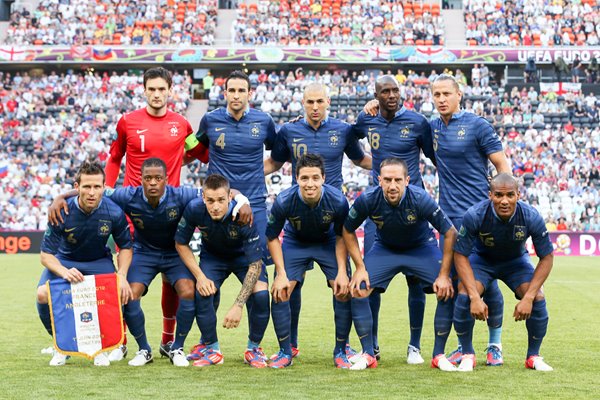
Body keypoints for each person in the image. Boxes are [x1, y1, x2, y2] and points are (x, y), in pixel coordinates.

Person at [47, 158, 251, 367]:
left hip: (174, 253)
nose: (153, 182)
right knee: (129, 294)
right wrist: (60, 197)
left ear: (166, 180)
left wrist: (242, 199)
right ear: (141, 180)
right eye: (148, 178)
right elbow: (97, 190)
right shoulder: (127, 195)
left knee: (189, 291)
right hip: (143, 253)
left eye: (158, 178)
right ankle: (144, 349)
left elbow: (217, 192)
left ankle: (176, 348)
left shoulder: (181, 194)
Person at [104, 67, 208, 361]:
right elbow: (114, 158)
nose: (157, 94)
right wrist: (109, 191)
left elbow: (201, 153)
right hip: (134, 209)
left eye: (162, 89)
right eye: (152, 89)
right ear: (144, 90)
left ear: (170, 90)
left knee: (172, 281)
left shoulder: (181, 124)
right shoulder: (128, 122)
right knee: (125, 278)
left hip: (171, 210)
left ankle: (167, 340)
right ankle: (122, 341)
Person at [263, 82, 371, 359]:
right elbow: (272, 164)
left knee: (342, 287)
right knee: (286, 287)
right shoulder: (288, 131)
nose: (314, 107)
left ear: (328, 102)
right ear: (302, 102)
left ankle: (341, 348)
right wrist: (238, 175)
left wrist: (391, 169)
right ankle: (288, 347)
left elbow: (361, 160)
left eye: (319, 101)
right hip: (297, 224)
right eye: (309, 102)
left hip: (331, 224)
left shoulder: (343, 130)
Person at [187, 70, 276, 360]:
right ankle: (208, 342)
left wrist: (253, 177)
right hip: (219, 205)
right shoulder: (210, 120)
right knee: (207, 282)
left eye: (241, 90)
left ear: (250, 93)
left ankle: (254, 347)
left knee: (258, 282)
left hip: (256, 206)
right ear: (224, 93)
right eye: (231, 90)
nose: (236, 95)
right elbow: (193, 148)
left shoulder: (263, 121)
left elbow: (278, 155)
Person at [343, 158, 458, 371]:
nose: (392, 185)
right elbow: (347, 229)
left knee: (447, 290)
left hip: (420, 248)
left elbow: (450, 232)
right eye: (387, 180)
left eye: (397, 180)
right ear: (379, 180)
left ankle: (434, 353)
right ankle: (368, 353)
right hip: (386, 248)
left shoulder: (421, 198)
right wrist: (359, 267)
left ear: (407, 180)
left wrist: (444, 274)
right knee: (358, 288)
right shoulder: (368, 198)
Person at [429, 74, 512, 366]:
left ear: (459, 94)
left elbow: (502, 165)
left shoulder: (477, 125)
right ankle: (465, 348)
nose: (441, 99)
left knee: (486, 283)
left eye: (446, 94)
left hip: (480, 219)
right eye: (436, 94)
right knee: (453, 284)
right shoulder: (432, 127)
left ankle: (495, 344)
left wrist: (506, 204)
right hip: (449, 221)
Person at [353, 75, 436, 364]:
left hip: (413, 209)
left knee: (416, 281)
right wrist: (367, 162)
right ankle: (372, 345)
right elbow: (353, 143)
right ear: (375, 95)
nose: (391, 95)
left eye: (395, 90)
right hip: (379, 210)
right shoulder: (367, 120)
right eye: (384, 91)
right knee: (370, 280)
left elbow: (436, 157)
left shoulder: (417, 122)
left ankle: (414, 346)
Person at [452, 173, 554, 372]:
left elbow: (547, 257)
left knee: (538, 298)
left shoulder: (531, 216)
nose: (504, 201)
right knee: (464, 294)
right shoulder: (475, 215)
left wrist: (529, 297)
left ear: (518, 195)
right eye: (499, 195)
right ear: (490, 195)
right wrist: (475, 296)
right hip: (482, 261)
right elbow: (460, 255)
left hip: (515, 262)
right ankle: (467, 354)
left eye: (510, 195)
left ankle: (533, 356)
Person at [35, 161, 133, 367]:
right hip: (66, 260)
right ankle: (61, 345)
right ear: (76, 187)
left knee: (119, 293)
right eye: (86, 186)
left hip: (99, 261)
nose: (91, 192)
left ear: (104, 188)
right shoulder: (61, 211)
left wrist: (122, 275)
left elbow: (125, 247)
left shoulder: (114, 212)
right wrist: (63, 271)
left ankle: (101, 347)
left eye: (97, 187)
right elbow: (46, 255)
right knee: (42, 295)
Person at [267, 154, 360, 369]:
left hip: (328, 242)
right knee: (281, 290)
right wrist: (280, 273)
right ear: (296, 178)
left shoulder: (337, 200)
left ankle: (341, 349)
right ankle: (285, 351)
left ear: (323, 178)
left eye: (315, 178)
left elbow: (340, 236)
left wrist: (342, 272)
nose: (310, 184)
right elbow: (272, 237)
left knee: (342, 289)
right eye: (305, 178)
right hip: (295, 241)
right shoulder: (283, 200)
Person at [175, 174, 269, 368]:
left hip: (245, 259)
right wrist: (200, 277)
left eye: (220, 200)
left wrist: (238, 305)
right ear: (203, 198)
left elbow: (255, 264)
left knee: (261, 295)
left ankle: (253, 349)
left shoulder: (243, 214)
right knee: (203, 292)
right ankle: (212, 349)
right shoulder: (194, 208)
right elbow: (180, 243)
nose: (215, 206)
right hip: (213, 257)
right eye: (210, 200)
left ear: (229, 197)